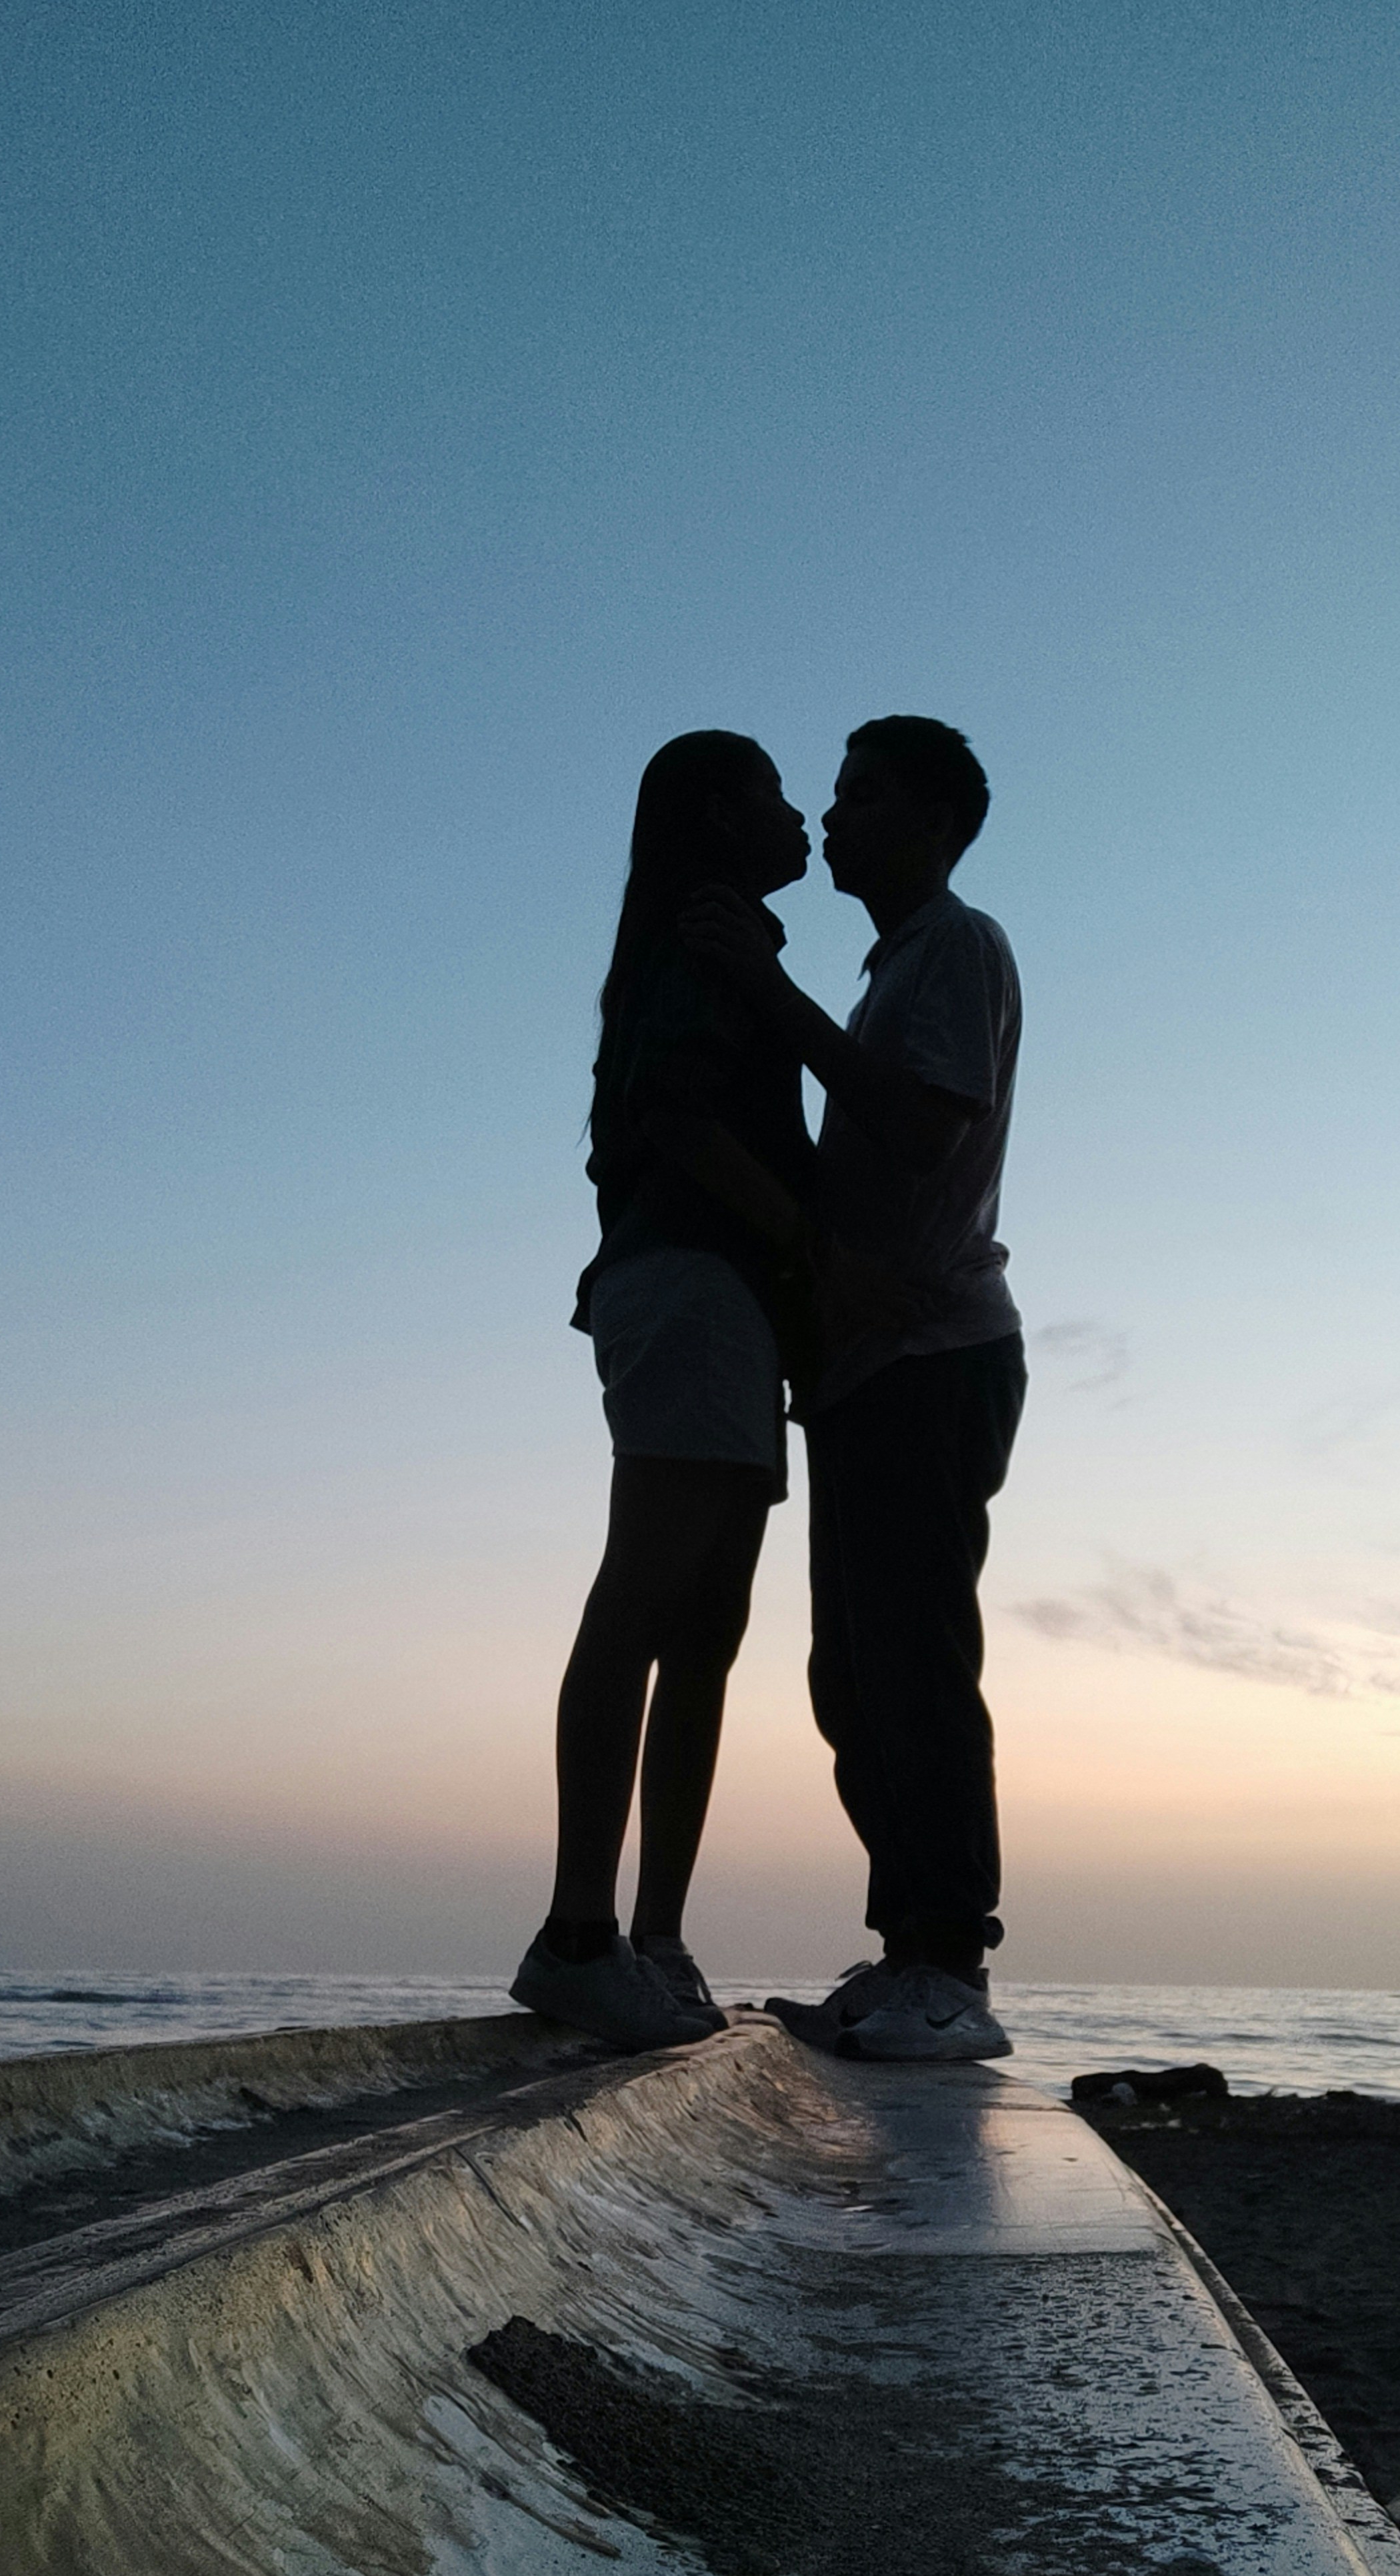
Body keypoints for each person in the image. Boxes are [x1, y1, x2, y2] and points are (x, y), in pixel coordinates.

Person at [683, 716, 1024, 2063]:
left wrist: (767, 1000)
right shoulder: (898, 963)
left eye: (860, 796)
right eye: (830, 795)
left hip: (936, 1354)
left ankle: (947, 1965)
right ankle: (906, 1955)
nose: (832, 818)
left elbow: (921, 1119)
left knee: (914, 1656)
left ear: (933, 817)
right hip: (872, 1364)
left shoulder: (952, 944)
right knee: (853, 1669)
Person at [509, 732, 816, 2051]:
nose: (798, 817)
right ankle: (581, 1930)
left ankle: (656, 1936)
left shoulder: (722, 946)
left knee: (705, 1629)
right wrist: (820, 1262)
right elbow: (681, 1128)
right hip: (693, 1288)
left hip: (722, 1303)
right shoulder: (703, 948)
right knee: (645, 1598)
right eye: (772, 795)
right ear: (712, 818)